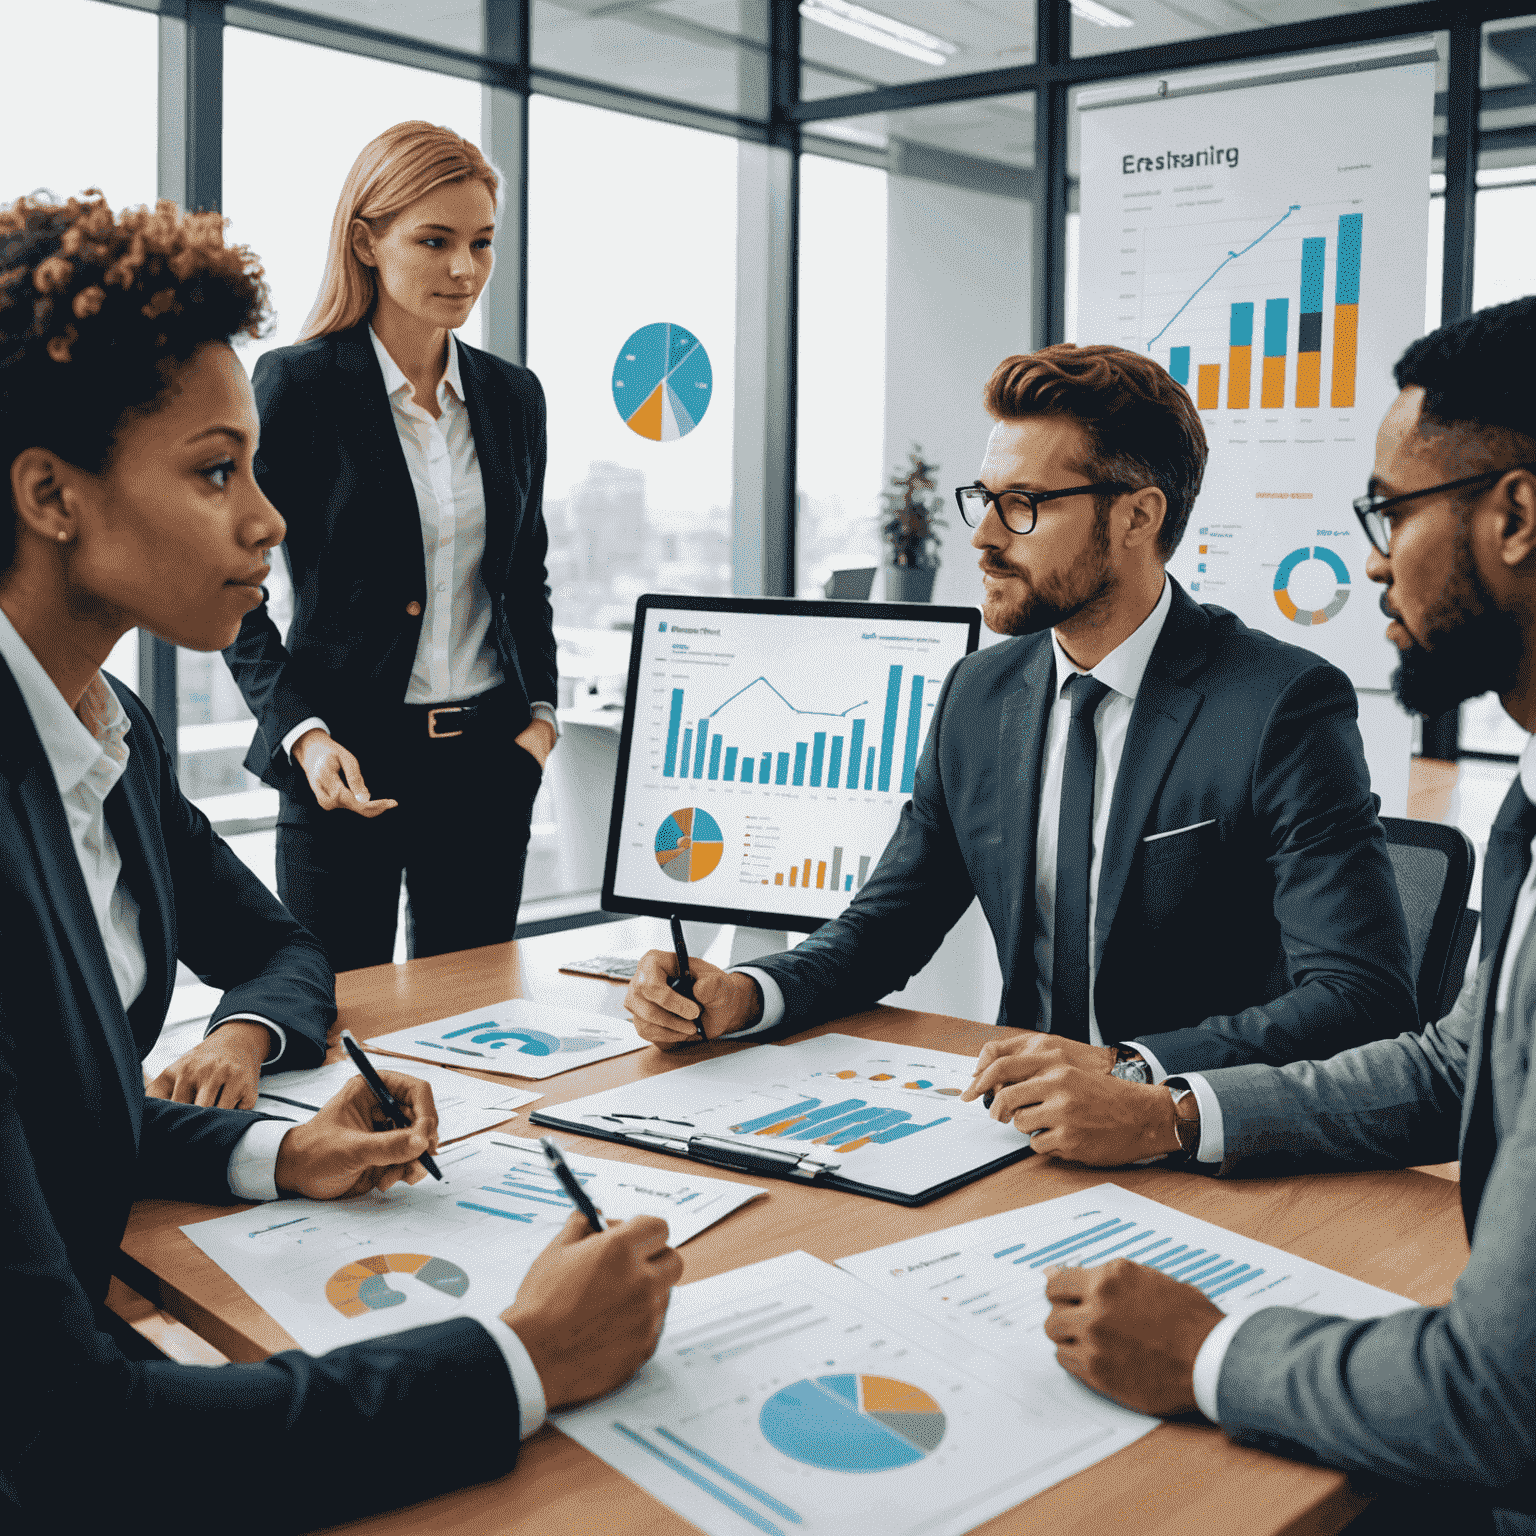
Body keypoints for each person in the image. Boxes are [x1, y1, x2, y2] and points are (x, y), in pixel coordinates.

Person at [0, 191, 679, 1534]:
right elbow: (78, 1439)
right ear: (48, 495)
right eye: (214, 473)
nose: (268, 522)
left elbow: (62, 1119)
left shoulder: (105, 736)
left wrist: (276, 1155)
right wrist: (523, 1359)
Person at [625, 343, 1417, 1159]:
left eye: (1026, 505)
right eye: (985, 499)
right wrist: (746, 994)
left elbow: (1363, 995)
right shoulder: (980, 693)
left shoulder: (1279, 704)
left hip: (1190, 1145)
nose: (985, 538)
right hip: (1014, 1137)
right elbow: (886, 927)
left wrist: (1132, 1073)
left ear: (1138, 517)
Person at [1033, 297, 1536, 1534]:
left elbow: (1492, 1397)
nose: (1371, 560)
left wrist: (1209, 1353)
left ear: (1514, 515)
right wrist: (1167, 1116)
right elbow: (1456, 1059)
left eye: (1391, 511)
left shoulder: (1277, 697)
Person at [220, 119, 558, 990]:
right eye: (434, 241)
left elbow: (525, 575)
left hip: (488, 764)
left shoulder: (512, 396)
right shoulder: (297, 386)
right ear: (367, 242)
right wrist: (301, 732)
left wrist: (541, 725)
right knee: (336, 1021)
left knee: (475, 1022)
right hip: (347, 767)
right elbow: (231, 584)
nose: (464, 269)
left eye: (481, 243)